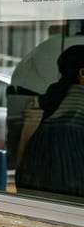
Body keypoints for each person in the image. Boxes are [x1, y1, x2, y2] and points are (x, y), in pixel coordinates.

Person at [16, 45, 84, 196]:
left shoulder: (52, 94)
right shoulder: (80, 97)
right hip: (72, 182)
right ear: (82, 72)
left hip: (39, 175)